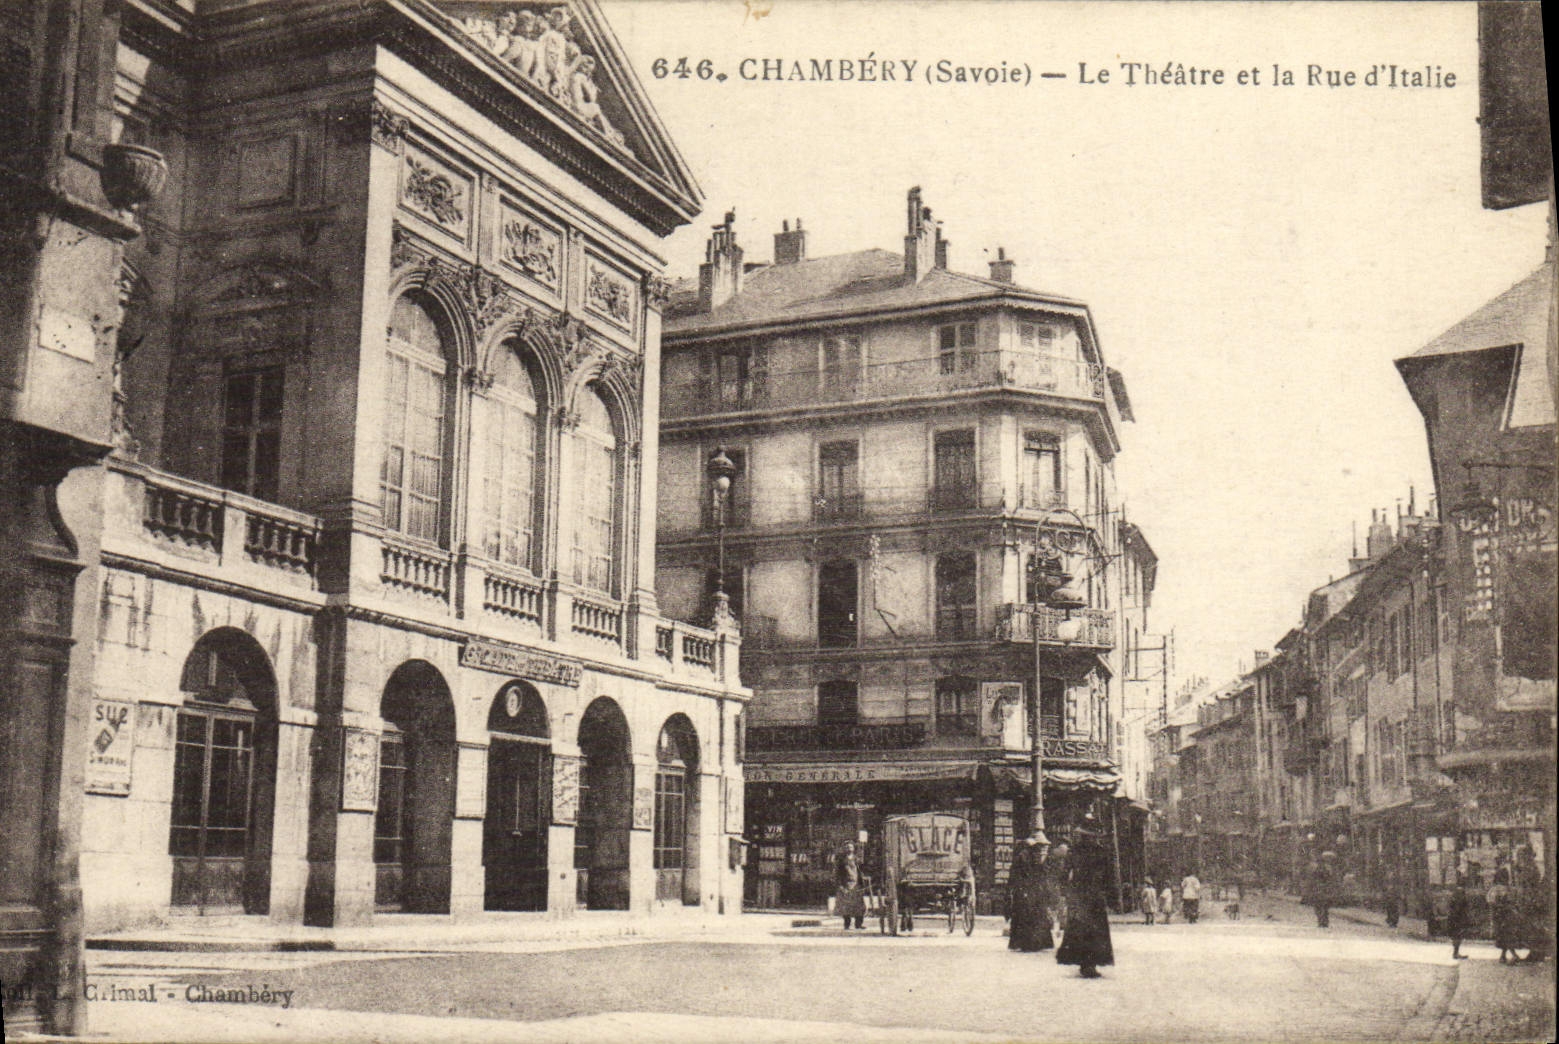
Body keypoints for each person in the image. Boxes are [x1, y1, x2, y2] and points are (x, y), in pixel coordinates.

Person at [1056, 825, 1115, 978]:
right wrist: (1109, 894)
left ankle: (1086, 963)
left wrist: (1066, 890)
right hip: (1093, 895)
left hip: (1081, 894)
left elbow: (1064, 874)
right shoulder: (1100, 852)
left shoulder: (1075, 851)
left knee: (1082, 928)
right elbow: (1109, 876)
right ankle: (1089, 964)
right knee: (1093, 929)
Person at [1007, 830, 1054, 952]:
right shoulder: (1025, 856)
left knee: (1033, 915)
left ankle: (1032, 942)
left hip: (1032, 889)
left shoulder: (1035, 856)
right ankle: (1030, 943)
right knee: (1029, 916)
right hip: (1026, 889)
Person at [1489, 867, 1519, 964]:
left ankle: (1508, 955)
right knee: (1506, 935)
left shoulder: (1495, 889)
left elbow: (1491, 903)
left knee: (1504, 935)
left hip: (1500, 915)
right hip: (1505, 914)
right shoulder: (1505, 889)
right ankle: (1509, 955)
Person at [834, 841, 866, 930]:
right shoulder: (841, 860)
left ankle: (858, 924)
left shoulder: (857, 859)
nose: (849, 849)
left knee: (859, 905)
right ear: (844, 849)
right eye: (847, 847)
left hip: (856, 884)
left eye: (851, 847)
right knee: (846, 906)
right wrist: (840, 885)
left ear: (853, 848)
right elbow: (837, 873)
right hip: (846, 884)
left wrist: (862, 882)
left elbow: (861, 871)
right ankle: (847, 924)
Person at [1447, 876, 1472, 960]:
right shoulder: (1460, 893)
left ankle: (1456, 952)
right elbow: (1459, 906)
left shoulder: (1455, 892)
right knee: (1457, 935)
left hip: (1453, 917)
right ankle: (1455, 953)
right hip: (1457, 917)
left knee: (1456, 935)